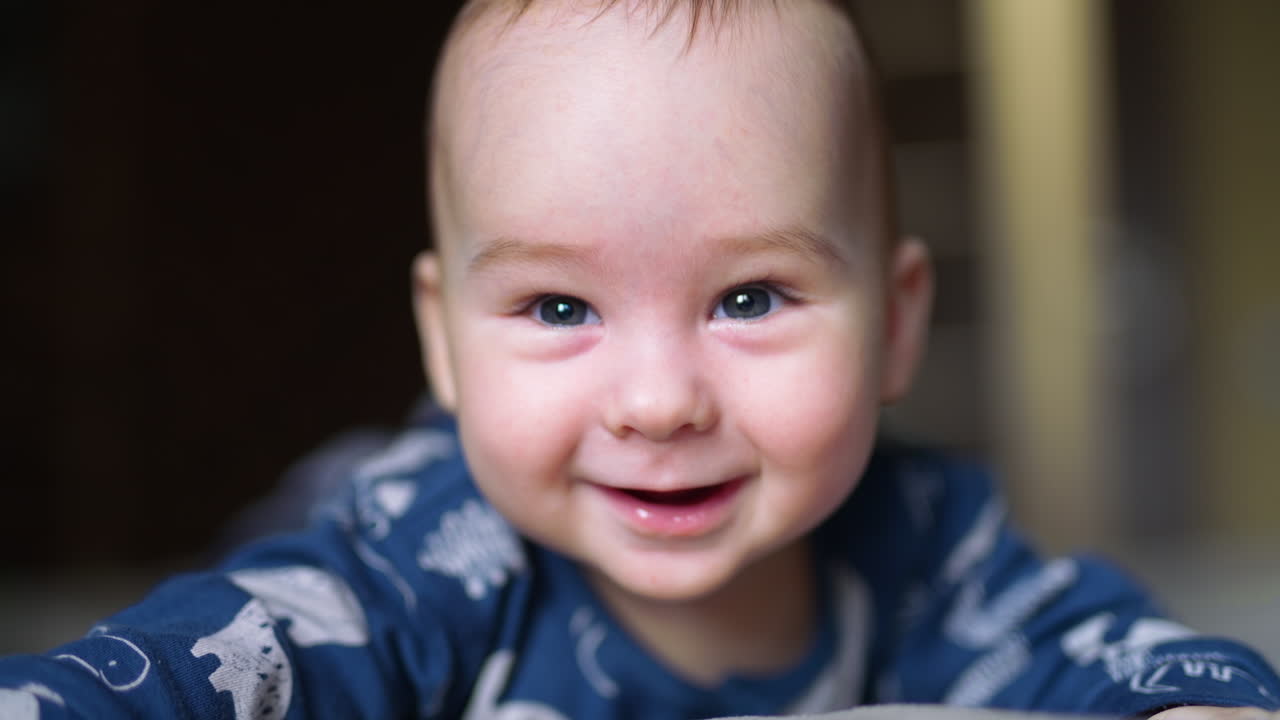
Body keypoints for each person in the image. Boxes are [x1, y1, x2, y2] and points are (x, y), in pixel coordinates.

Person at [2, 1, 1278, 718]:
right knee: (312, 526)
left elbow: (1119, 657)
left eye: (749, 296)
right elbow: (185, 672)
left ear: (892, 325)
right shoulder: (425, 559)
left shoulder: (927, 541)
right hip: (360, 509)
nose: (659, 401)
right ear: (442, 337)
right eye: (559, 308)